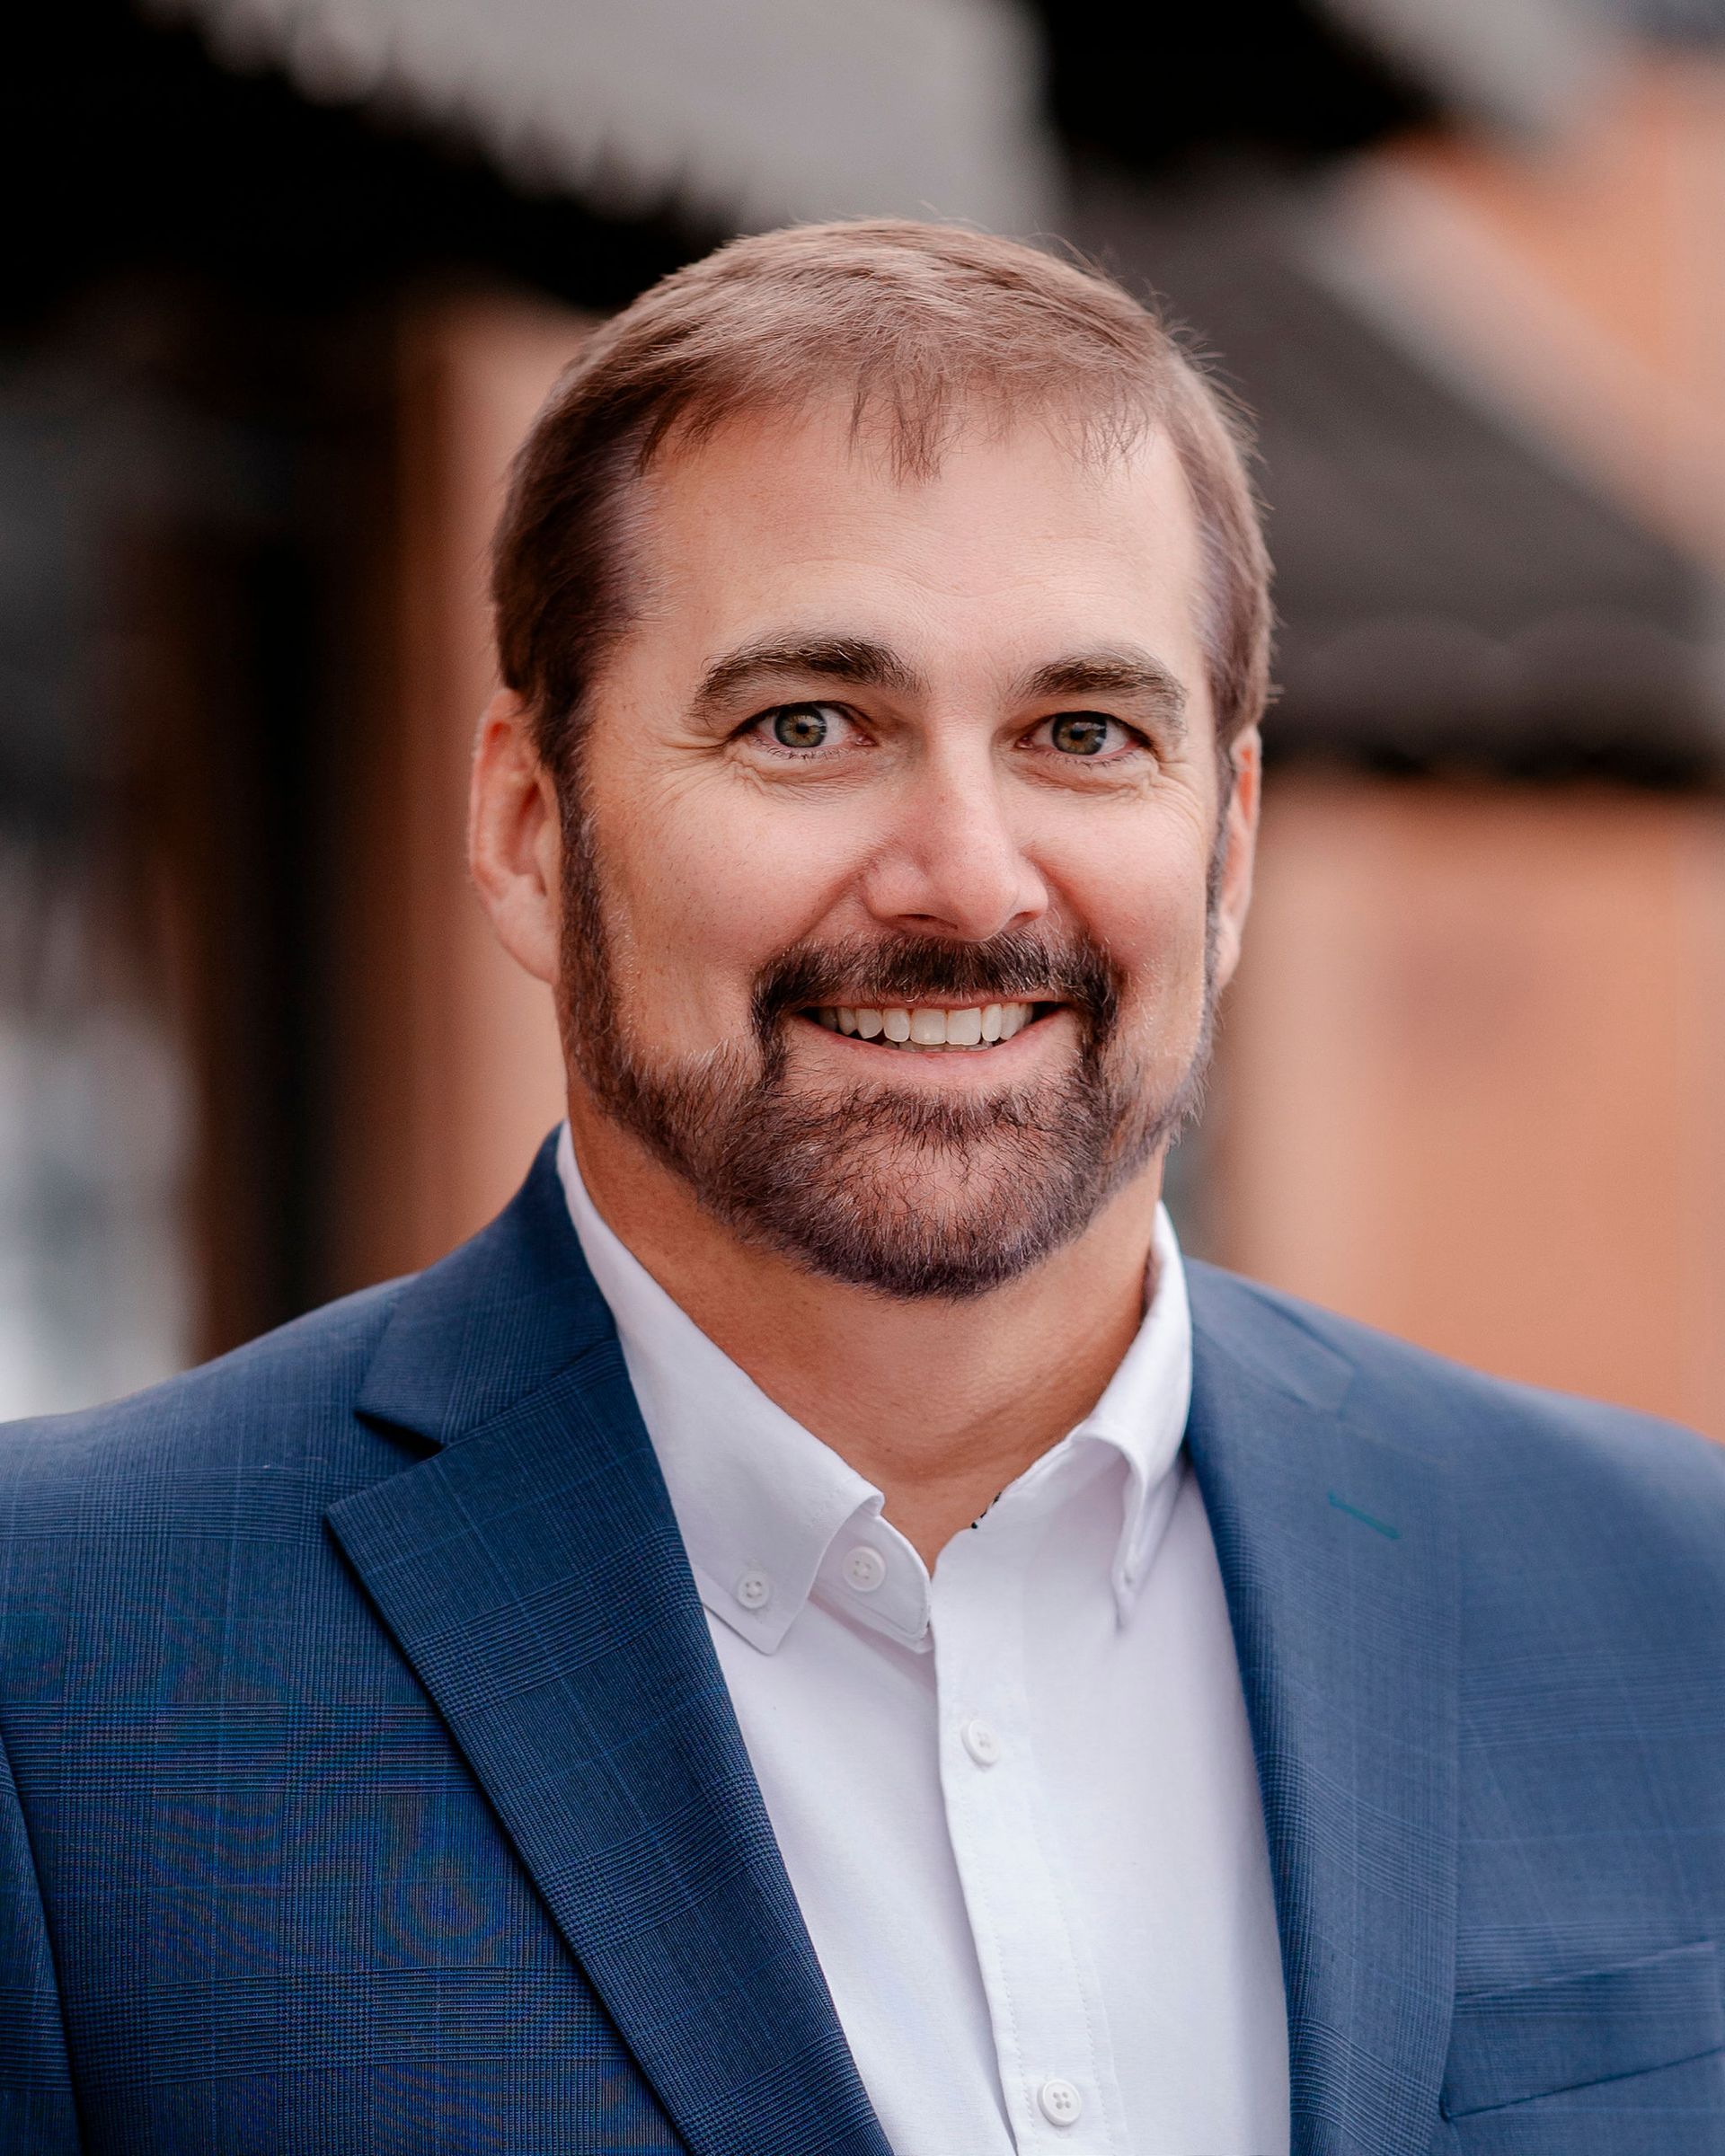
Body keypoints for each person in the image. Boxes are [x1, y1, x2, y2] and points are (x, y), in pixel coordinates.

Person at [3, 221, 1722, 2156]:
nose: (970, 880)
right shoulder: (61, 1667)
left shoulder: (1674, 1610)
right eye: (808, 726)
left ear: (1226, 846)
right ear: (524, 827)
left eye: (1084, 735)